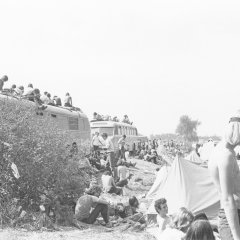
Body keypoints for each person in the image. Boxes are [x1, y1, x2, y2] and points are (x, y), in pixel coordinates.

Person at [208, 111, 240, 240]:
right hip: (232, 216)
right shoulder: (225, 156)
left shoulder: (221, 151)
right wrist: (237, 236)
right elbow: (228, 199)